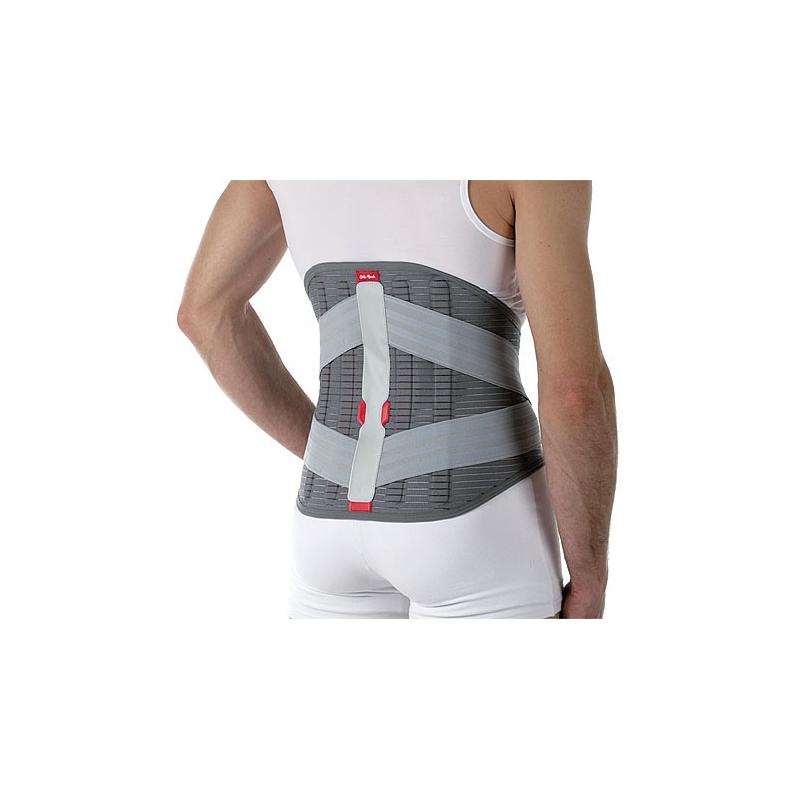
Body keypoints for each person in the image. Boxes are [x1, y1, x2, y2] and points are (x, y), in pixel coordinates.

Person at [178, 181, 617, 618]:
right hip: (480, 520)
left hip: (326, 529)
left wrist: (332, 454)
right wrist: (590, 578)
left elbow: (204, 314)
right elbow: (575, 392)